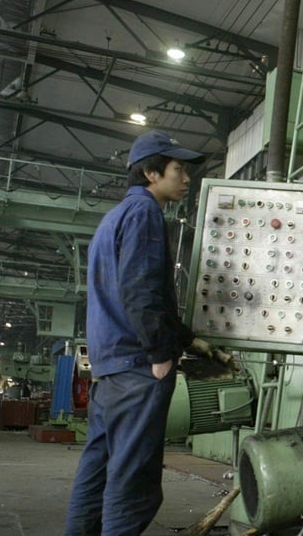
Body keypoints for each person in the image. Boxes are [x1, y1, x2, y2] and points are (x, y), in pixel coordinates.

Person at [65, 130, 206, 535]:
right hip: (137, 368)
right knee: (134, 481)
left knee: (97, 471)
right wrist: (162, 355)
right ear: (150, 172)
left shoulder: (112, 219)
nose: (186, 178)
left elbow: (135, 292)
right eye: (178, 169)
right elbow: (140, 291)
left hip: (109, 370)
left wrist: (188, 340)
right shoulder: (146, 214)